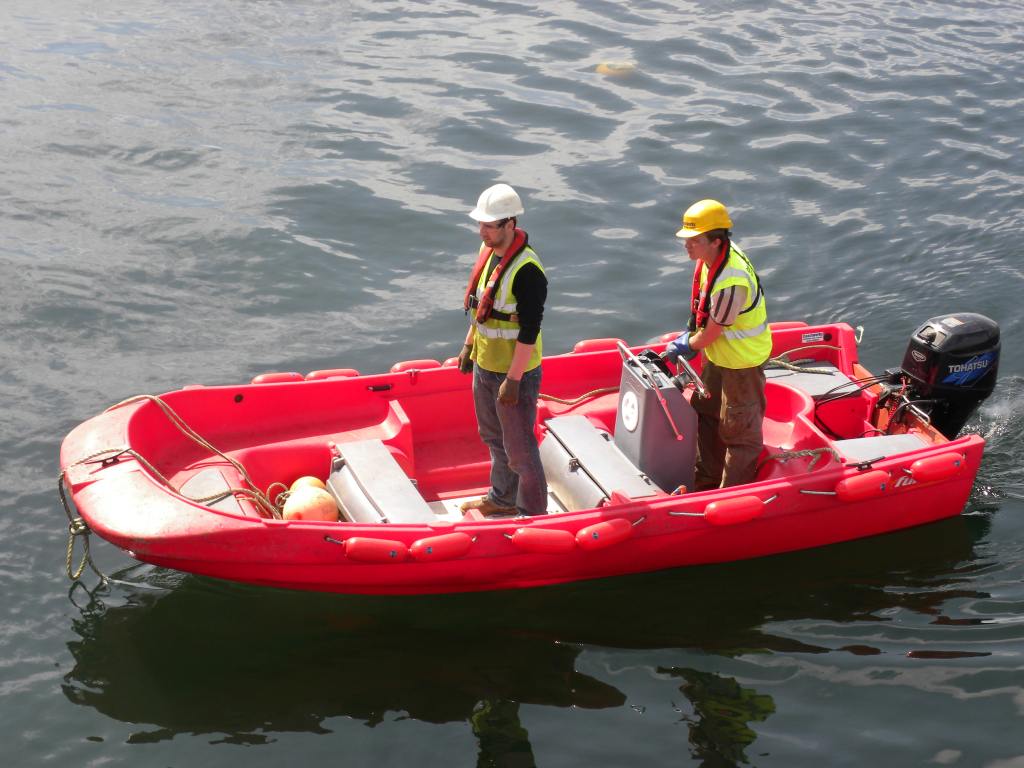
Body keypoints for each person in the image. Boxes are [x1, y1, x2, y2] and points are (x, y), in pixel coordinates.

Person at [666, 199, 771, 490]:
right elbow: (702, 315)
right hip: (719, 357)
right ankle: (706, 479)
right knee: (705, 411)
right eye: (686, 239)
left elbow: (711, 332)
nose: (687, 246)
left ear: (715, 241)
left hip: (741, 364)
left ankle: (732, 495)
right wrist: (690, 334)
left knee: (739, 432)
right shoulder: (709, 260)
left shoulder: (730, 280)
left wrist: (688, 343)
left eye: (694, 240)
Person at [456, 183, 548, 517]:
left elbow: (529, 329)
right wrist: (468, 346)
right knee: (494, 439)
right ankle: (503, 497)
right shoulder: (490, 256)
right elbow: (483, 309)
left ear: (510, 224)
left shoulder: (527, 271)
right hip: (486, 365)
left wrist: (513, 379)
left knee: (521, 450)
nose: (482, 231)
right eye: (480, 224)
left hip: (513, 373)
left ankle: (535, 513)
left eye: (489, 225)